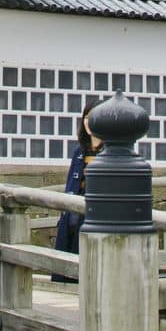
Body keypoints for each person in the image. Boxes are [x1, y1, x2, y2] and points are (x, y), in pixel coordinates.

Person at [52, 102, 103, 259]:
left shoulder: (111, 153)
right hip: (71, 216)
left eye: (94, 117)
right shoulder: (79, 151)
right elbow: (70, 186)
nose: (88, 121)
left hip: (94, 220)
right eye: (86, 117)